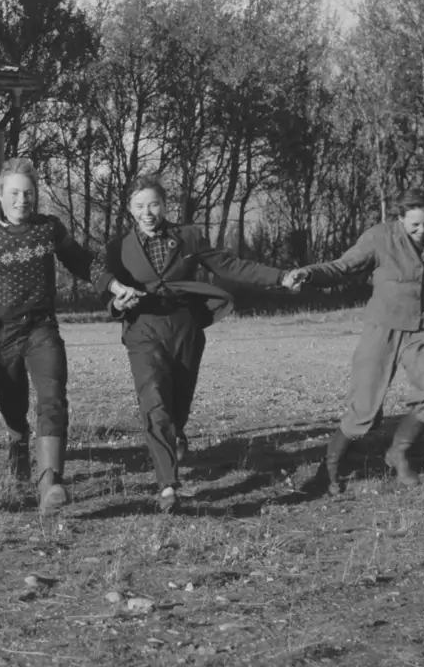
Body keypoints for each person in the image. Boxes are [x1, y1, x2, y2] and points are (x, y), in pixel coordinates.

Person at [96, 175, 301, 513]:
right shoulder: (118, 248)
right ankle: (168, 486)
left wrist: (279, 277)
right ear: (130, 209)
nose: (147, 212)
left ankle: (176, 433)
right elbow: (107, 288)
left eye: (154, 204)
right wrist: (118, 304)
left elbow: (230, 265)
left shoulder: (189, 237)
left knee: (177, 405)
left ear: (164, 205)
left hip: (185, 327)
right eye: (139, 206)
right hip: (142, 328)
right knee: (154, 401)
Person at [0, 158, 122, 512]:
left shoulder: (49, 229)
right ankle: (18, 439)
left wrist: (112, 285)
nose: (23, 200)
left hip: (41, 328)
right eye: (15, 193)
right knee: (12, 400)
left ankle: (50, 481)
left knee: (53, 398)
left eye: (29, 193)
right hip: (1, 333)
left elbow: (81, 260)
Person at [289, 188, 424, 492]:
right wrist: (309, 274)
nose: (422, 231)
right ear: (400, 218)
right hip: (381, 330)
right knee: (363, 409)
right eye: (415, 225)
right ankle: (329, 470)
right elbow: (344, 267)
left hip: (419, 332)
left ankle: (399, 452)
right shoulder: (380, 238)